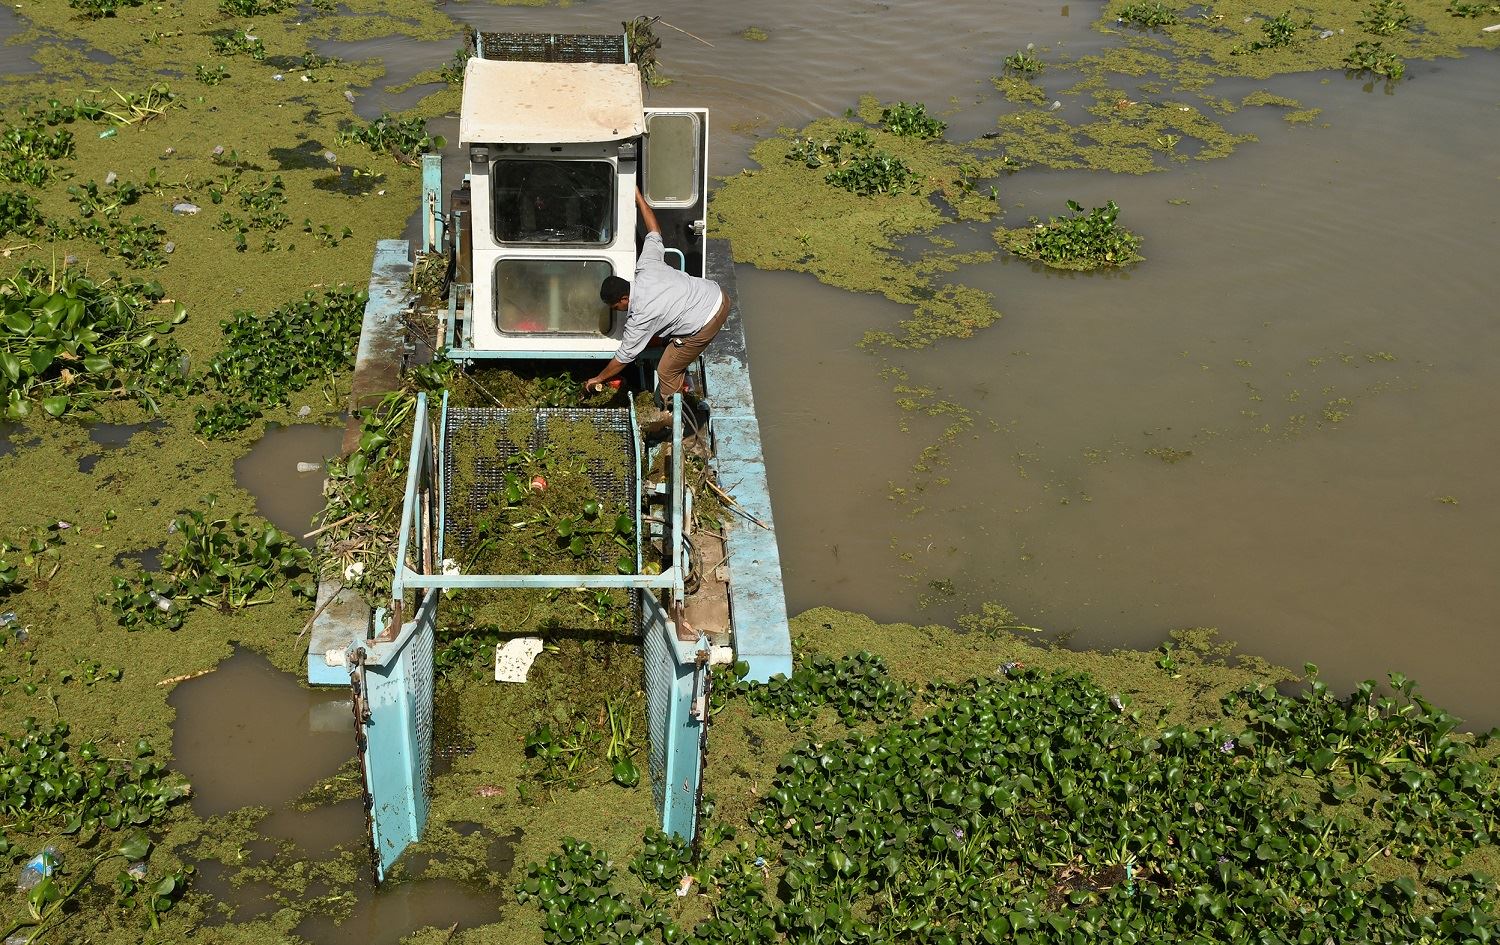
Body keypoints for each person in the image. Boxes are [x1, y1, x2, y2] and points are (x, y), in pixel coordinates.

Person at [585, 188, 730, 418]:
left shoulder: (640, 317)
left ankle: (672, 420)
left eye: (616, 308)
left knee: (666, 369)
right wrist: (639, 198)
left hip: (706, 320)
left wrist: (598, 379)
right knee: (669, 344)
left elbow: (624, 357)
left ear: (623, 299)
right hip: (717, 293)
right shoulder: (646, 267)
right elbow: (654, 231)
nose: (619, 312)